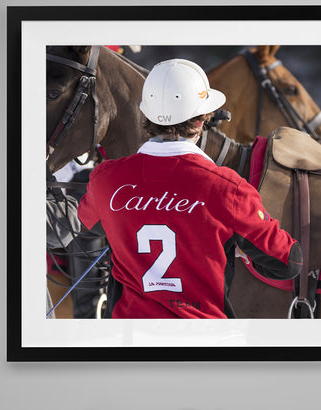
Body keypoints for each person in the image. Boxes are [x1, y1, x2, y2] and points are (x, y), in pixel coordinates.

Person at [77, 58, 302, 318]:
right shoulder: (229, 190)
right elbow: (288, 262)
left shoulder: (105, 179)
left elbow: (89, 223)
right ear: (201, 121)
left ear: (146, 115)